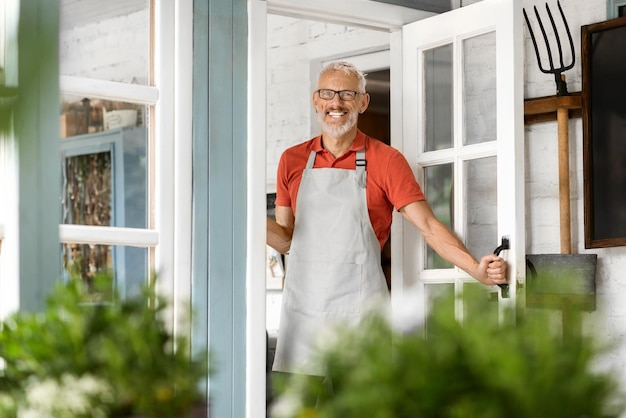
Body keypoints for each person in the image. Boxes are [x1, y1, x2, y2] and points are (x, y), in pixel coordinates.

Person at [266, 61, 507, 377]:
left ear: (362, 102)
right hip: (302, 313)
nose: (336, 103)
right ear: (316, 100)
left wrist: (476, 269)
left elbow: (429, 226)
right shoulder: (292, 160)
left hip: (360, 312)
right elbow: (285, 239)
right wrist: (245, 214)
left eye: (347, 94)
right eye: (327, 93)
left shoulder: (385, 160)